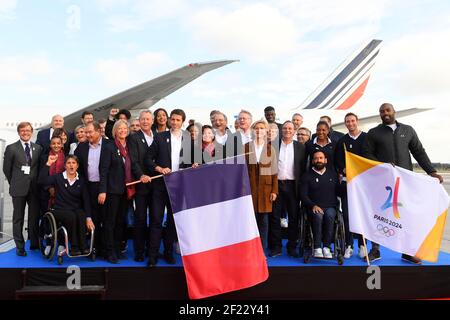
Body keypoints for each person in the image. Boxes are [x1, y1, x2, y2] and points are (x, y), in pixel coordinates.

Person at [362, 103, 443, 264]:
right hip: (382, 182)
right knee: (379, 215)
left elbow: (419, 151)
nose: (385, 113)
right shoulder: (374, 133)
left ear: (394, 112)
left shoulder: (408, 130)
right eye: (382, 111)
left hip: (405, 182)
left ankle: (407, 252)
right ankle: (375, 250)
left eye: (387, 110)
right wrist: (382, 165)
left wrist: (431, 171)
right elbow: (367, 154)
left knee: (406, 216)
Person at [144, 109, 197, 267]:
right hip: (160, 185)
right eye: (172, 119)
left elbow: (192, 161)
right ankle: (152, 255)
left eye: (177, 120)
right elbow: (147, 159)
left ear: (183, 122)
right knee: (156, 220)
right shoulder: (160, 137)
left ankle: (168, 253)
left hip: (178, 186)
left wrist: (194, 165)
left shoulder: (189, 140)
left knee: (173, 222)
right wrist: (159, 168)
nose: (174, 122)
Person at [38, 155, 95, 256]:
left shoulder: (81, 180)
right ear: (65, 166)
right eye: (68, 163)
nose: (71, 165)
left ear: (77, 166)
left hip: (75, 208)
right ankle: (74, 247)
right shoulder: (58, 177)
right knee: (71, 216)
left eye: (73, 163)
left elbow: (86, 200)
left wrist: (89, 218)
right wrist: (48, 164)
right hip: (59, 209)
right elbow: (41, 181)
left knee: (82, 215)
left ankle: (83, 246)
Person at [3, 122, 42, 256]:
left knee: (33, 217)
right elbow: (6, 169)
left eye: (28, 130)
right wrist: (14, 182)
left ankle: (34, 243)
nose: (25, 133)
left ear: (31, 132)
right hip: (18, 188)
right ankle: (20, 247)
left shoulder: (38, 148)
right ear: (19, 132)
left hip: (34, 189)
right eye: (22, 130)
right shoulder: (11, 148)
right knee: (18, 218)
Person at [74, 121, 112, 259]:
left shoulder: (109, 146)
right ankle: (93, 249)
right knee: (92, 219)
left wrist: (104, 190)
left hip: (105, 188)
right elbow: (79, 170)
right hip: (89, 187)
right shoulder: (81, 147)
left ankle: (107, 250)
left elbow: (110, 170)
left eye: (90, 132)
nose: (87, 135)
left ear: (98, 131)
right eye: (86, 132)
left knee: (106, 220)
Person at [99, 120, 135, 264]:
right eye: (119, 128)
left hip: (126, 190)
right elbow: (103, 170)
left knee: (121, 221)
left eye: (125, 128)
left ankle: (117, 248)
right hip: (112, 191)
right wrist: (103, 191)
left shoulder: (130, 146)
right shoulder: (109, 147)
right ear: (114, 131)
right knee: (110, 222)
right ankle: (109, 251)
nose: (122, 130)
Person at [269, 121, 306, 258]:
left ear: (294, 131)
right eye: (285, 128)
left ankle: (292, 246)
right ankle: (276, 247)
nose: (287, 130)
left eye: (290, 128)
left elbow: (303, 168)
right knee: (275, 217)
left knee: (293, 217)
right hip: (276, 185)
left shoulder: (300, 147)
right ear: (281, 130)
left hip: (293, 186)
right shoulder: (273, 145)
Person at [335, 112, 367, 259]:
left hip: (364, 185)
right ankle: (349, 244)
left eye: (352, 121)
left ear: (357, 121)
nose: (350, 123)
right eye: (347, 121)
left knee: (362, 215)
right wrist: (343, 169)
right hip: (348, 183)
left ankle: (362, 244)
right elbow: (338, 160)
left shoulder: (366, 138)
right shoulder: (342, 141)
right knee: (348, 215)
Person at [245, 120, 278, 252]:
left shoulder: (270, 149)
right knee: (249, 223)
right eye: (256, 128)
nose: (259, 131)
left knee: (264, 222)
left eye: (262, 128)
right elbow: (241, 169)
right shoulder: (246, 147)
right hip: (250, 189)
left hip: (266, 190)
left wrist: (274, 190)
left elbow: (274, 171)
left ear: (266, 132)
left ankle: (262, 250)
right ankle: (249, 251)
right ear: (253, 131)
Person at [300, 150, 339, 259]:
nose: (319, 160)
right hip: (313, 206)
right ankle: (317, 247)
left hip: (330, 206)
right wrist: (313, 205)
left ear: (325, 160)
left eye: (321, 158)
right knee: (318, 215)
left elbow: (339, 192)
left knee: (330, 215)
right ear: (312, 161)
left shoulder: (333, 174)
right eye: (316, 158)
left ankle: (326, 247)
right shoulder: (306, 176)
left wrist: (344, 183)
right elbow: (303, 196)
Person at [128, 110, 154, 262]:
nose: (145, 121)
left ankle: (152, 249)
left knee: (156, 218)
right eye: (142, 119)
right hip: (142, 183)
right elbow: (134, 160)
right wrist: (140, 175)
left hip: (157, 184)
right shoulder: (134, 137)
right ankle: (139, 250)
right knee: (140, 218)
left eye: (147, 119)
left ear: (152, 121)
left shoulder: (158, 136)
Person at [39, 136, 65, 214]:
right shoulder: (44, 158)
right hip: (46, 192)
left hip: (62, 192)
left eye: (58, 143)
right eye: (53, 143)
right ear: (50, 145)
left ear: (62, 145)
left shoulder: (66, 157)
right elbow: (41, 176)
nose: (56, 145)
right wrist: (49, 187)